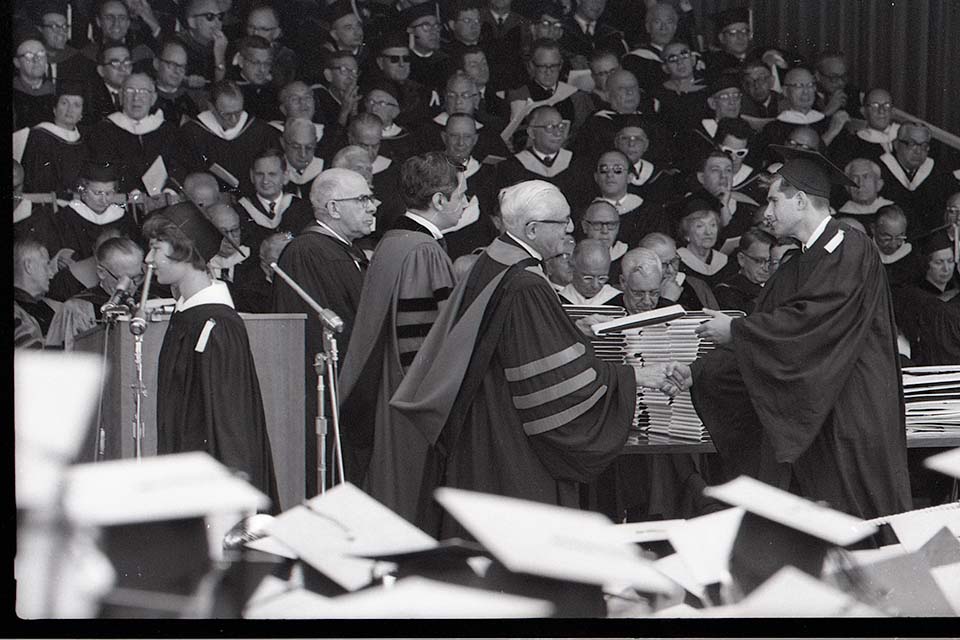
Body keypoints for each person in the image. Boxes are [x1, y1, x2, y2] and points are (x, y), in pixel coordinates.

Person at [389, 180, 691, 537]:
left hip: (483, 422)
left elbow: (519, 344)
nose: (570, 230)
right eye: (562, 222)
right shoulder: (526, 284)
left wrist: (575, 330)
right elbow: (553, 381)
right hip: (509, 440)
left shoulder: (494, 260)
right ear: (532, 229)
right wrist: (635, 377)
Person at [690, 147, 912, 523]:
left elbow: (811, 324)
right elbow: (769, 325)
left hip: (850, 410)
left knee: (859, 524)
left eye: (774, 200)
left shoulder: (848, 244)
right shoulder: (798, 262)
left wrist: (736, 330)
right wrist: (696, 371)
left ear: (800, 199)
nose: (767, 212)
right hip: (816, 411)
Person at [340, 152, 463, 521]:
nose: (466, 204)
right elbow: (425, 343)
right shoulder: (423, 252)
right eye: (462, 195)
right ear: (440, 200)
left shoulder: (393, 242)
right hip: (410, 402)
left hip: (385, 394)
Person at [144, 202, 278, 503]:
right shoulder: (188, 317)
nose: (148, 259)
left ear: (186, 252)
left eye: (156, 248)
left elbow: (231, 427)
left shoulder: (217, 325)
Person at [272, 168, 376, 495]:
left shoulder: (343, 249)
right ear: (333, 209)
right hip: (332, 401)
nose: (373, 206)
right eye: (362, 199)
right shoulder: (309, 252)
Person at [88, 73, 186, 194]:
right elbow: (106, 169)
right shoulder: (104, 130)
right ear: (121, 96)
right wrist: (133, 193)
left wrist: (170, 190)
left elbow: (178, 166)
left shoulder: (167, 130)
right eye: (130, 91)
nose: (136, 98)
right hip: (123, 201)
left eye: (144, 91)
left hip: (166, 201)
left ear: (153, 98)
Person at [180, 80, 281, 195]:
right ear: (211, 107)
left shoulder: (260, 131)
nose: (234, 120)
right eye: (227, 114)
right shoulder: (192, 132)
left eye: (238, 112)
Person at [45, 236, 145, 349]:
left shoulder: (149, 302)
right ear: (101, 273)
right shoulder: (77, 309)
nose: (131, 286)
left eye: (137, 277)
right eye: (123, 280)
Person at [878, 122, 955, 233]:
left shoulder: (940, 172)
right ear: (896, 144)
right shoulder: (880, 171)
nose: (918, 151)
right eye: (911, 144)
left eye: (924, 146)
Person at [21, 79, 89, 195]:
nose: (70, 109)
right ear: (54, 109)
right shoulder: (40, 137)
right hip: (49, 204)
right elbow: (37, 183)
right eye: (64, 103)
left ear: (81, 114)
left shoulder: (84, 141)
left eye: (76, 105)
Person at [713, 227, 775, 314]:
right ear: (741, 259)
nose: (766, 268)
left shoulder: (780, 286)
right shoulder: (727, 292)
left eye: (770, 261)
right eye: (759, 261)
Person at [14, 237, 60, 348]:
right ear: (29, 266)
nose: (51, 274)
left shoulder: (47, 305)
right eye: (47, 265)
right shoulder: (16, 314)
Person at [557, 238, 621, 305]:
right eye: (588, 278)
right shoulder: (558, 300)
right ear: (572, 268)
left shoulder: (620, 300)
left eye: (602, 278)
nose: (595, 285)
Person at [873, 204, 921, 289]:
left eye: (899, 237)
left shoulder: (914, 255)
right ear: (873, 229)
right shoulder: (864, 254)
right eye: (887, 238)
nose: (893, 245)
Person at [580, 199, 627, 281]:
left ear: (618, 227)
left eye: (611, 224)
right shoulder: (575, 258)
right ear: (585, 226)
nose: (605, 231)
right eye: (597, 224)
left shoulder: (627, 257)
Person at [280, 116, 325, 199]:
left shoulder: (326, 171)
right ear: (283, 143)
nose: (303, 154)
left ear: (315, 142)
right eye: (296, 147)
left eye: (309, 147)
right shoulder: (275, 172)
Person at [610, 247, 663, 314]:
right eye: (639, 294)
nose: (647, 302)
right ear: (623, 282)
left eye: (654, 293)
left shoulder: (671, 312)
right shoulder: (606, 313)